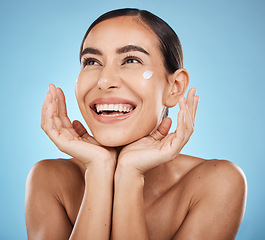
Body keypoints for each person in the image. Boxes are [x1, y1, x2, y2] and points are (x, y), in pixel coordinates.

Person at [25, 8, 247, 240]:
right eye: (91, 61)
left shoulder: (217, 182)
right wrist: (99, 170)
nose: (104, 80)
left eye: (131, 60)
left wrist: (129, 175)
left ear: (175, 87)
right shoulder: (49, 178)